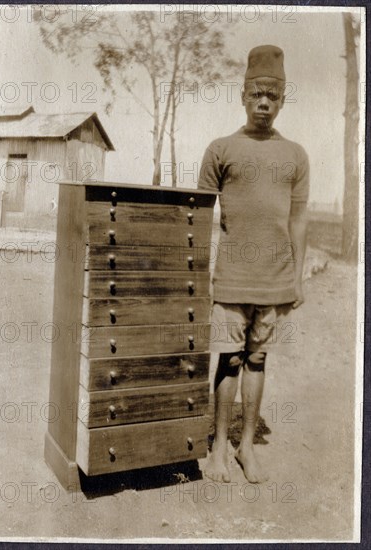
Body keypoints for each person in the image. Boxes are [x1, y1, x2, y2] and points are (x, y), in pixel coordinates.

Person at [198, 45, 309, 484]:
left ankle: (246, 446)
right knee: (228, 360)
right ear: (242, 96)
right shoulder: (220, 148)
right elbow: (200, 216)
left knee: (258, 360)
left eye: (273, 96)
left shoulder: (296, 155)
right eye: (257, 94)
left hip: (275, 280)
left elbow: (298, 219)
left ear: (282, 100)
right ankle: (219, 448)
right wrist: (199, 275)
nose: (264, 103)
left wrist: (298, 278)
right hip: (231, 278)